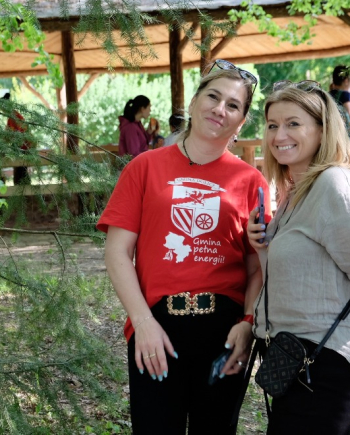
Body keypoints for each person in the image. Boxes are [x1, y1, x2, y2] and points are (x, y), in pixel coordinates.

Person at [97, 59, 268, 434]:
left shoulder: (250, 180)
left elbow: (258, 267)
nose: (220, 109)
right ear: (193, 102)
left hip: (225, 332)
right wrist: (142, 323)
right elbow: (117, 252)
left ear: (241, 123)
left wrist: (248, 324)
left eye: (234, 106)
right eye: (213, 96)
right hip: (156, 326)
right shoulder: (144, 168)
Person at [247, 80, 350, 434]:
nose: (278, 134)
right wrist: (264, 249)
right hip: (293, 358)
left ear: (322, 130)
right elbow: (289, 282)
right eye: (272, 125)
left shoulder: (333, 184)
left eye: (293, 123)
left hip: (326, 362)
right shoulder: (295, 194)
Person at [2, 92, 33, 185]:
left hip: (23, 147)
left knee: (21, 172)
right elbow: (7, 134)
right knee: (19, 171)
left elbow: (18, 135)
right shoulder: (10, 118)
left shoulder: (15, 116)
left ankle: (24, 190)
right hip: (19, 148)